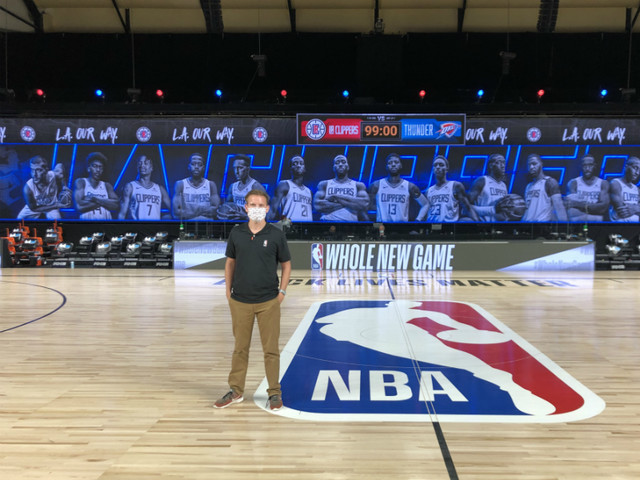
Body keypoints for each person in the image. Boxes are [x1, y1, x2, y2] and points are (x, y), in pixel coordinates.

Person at [214, 189, 292, 411]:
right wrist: (228, 292)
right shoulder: (237, 233)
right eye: (253, 205)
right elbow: (230, 262)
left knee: (271, 350)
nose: (257, 208)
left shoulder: (276, 234)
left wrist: (282, 292)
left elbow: (286, 264)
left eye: (261, 205)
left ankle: (274, 392)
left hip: (269, 301)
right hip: (240, 301)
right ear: (246, 207)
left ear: (267, 209)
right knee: (240, 348)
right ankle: (236, 390)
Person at [368, 153, 429, 222]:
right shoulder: (376, 185)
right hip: (382, 228)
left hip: (401, 228)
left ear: (401, 165)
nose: (393, 164)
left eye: (396, 162)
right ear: (386, 166)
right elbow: (367, 206)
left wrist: (418, 220)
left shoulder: (410, 186)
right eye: (390, 163)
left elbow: (425, 204)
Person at [417, 155, 479, 222]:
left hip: (450, 227)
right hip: (432, 227)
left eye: (441, 165)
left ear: (447, 169)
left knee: (468, 220)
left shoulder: (455, 186)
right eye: (435, 165)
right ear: (433, 170)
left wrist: (478, 223)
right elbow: (425, 214)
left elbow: (467, 208)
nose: (438, 167)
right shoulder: (428, 191)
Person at [313, 154, 369, 222]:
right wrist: (351, 204)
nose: (340, 164)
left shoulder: (358, 185)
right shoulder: (324, 184)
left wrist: (336, 197)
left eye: (343, 162)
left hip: (349, 226)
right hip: (328, 223)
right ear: (333, 167)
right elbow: (318, 206)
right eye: (337, 162)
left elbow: (364, 205)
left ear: (348, 167)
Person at [118, 154, 171, 220]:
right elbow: (122, 214)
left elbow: (174, 212)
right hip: (136, 228)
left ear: (151, 167)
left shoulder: (160, 189)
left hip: (154, 228)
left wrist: (165, 218)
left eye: (145, 163)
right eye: (139, 163)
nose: (142, 165)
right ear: (137, 167)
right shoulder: (129, 187)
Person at [17, 155, 71, 220]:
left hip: (51, 206)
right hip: (37, 207)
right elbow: (34, 208)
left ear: (46, 170)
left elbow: (60, 167)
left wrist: (64, 186)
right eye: (32, 170)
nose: (34, 174)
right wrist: (57, 205)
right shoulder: (27, 188)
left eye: (38, 170)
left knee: (57, 221)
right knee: (19, 220)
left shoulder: (53, 175)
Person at [172, 153, 220, 220]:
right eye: (193, 164)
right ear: (189, 166)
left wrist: (189, 213)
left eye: (199, 164)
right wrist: (200, 213)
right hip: (188, 224)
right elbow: (176, 212)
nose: (196, 167)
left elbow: (216, 210)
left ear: (203, 168)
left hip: (206, 225)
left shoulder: (211, 185)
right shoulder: (180, 184)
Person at [521, 153, 567, 222]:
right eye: (529, 165)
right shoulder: (528, 186)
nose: (531, 167)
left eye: (534, 164)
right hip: (528, 226)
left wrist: (565, 227)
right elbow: (527, 210)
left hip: (542, 226)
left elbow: (559, 207)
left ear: (541, 164)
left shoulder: (549, 182)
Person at [73, 152, 120, 220]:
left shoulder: (107, 186)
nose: (98, 170)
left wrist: (95, 199)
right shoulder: (81, 182)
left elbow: (116, 205)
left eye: (100, 167)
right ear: (88, 168)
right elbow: (79, 207)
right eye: (95, 166)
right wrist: (105, 202)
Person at [564, 154, 610, 222]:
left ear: (594, 166)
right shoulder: (574, 183)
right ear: (581, 167)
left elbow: (603, 209)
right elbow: (571, 211)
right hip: (578, 223)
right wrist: (594, 208)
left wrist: (577, 204)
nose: (587, 169)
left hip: (597, 224)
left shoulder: (603, 183)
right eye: (584, 165)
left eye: (590, 165)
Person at [219, 154, 266, 220]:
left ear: (248, 169)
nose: (236, 172)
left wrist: (245, 217)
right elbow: (228, 205)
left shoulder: (256, 187)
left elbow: (264, 214)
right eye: (235, 168)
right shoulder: (233, 186)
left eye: (240, 168)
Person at [269, 155, 313, 222]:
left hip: (306, 229)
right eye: (295, 163)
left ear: (305, 168)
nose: (298, 166)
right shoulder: (284, 184)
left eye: (301, 163)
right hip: (289, 228)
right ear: (290, 169)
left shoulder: (309, 191)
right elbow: (272, 210)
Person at [468, 153, 509, 222]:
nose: (502, 166)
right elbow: (467, 207)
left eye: (504, 163)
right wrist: (491, 210)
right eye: (499, 162)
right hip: (483, 224)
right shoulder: (482, 180)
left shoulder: (503, 185)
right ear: (491, 165)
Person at [609, 155, 640, 222]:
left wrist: (634, 209)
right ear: (626, 167)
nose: (637, 173)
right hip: (619, 226)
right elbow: (622, 211)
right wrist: (637, 208)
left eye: (639, 170)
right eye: (635, 168)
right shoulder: (615, 183)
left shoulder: (636, 189)